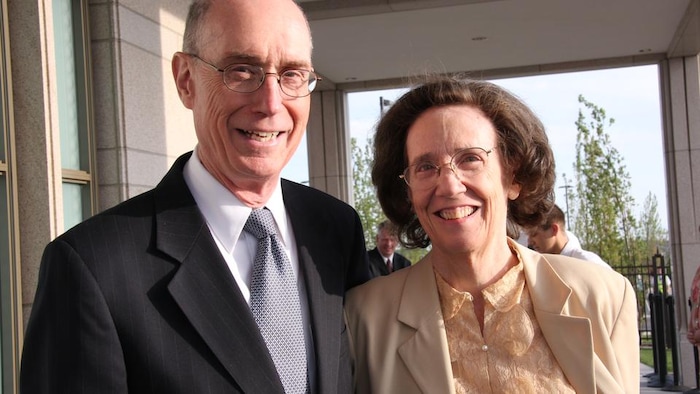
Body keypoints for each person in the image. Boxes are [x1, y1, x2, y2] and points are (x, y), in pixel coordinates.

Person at [20, 1, 369, 393]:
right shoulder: (92, 269)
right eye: (242, 70)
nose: (271, 103)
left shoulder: (335, 230)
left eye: (292, 75)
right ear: (186, 80)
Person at [345, 77, 639, 393]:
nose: (449, 185)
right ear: (408, 193)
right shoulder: (364, 319)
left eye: (470, 159)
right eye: (426, 167)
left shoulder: (602, 297)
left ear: (512, 176)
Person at [526, 204, 611, 268]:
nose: (529, 241)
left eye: (534, 234)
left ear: (554, 230)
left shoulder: (588, 263)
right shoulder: (541, 266)